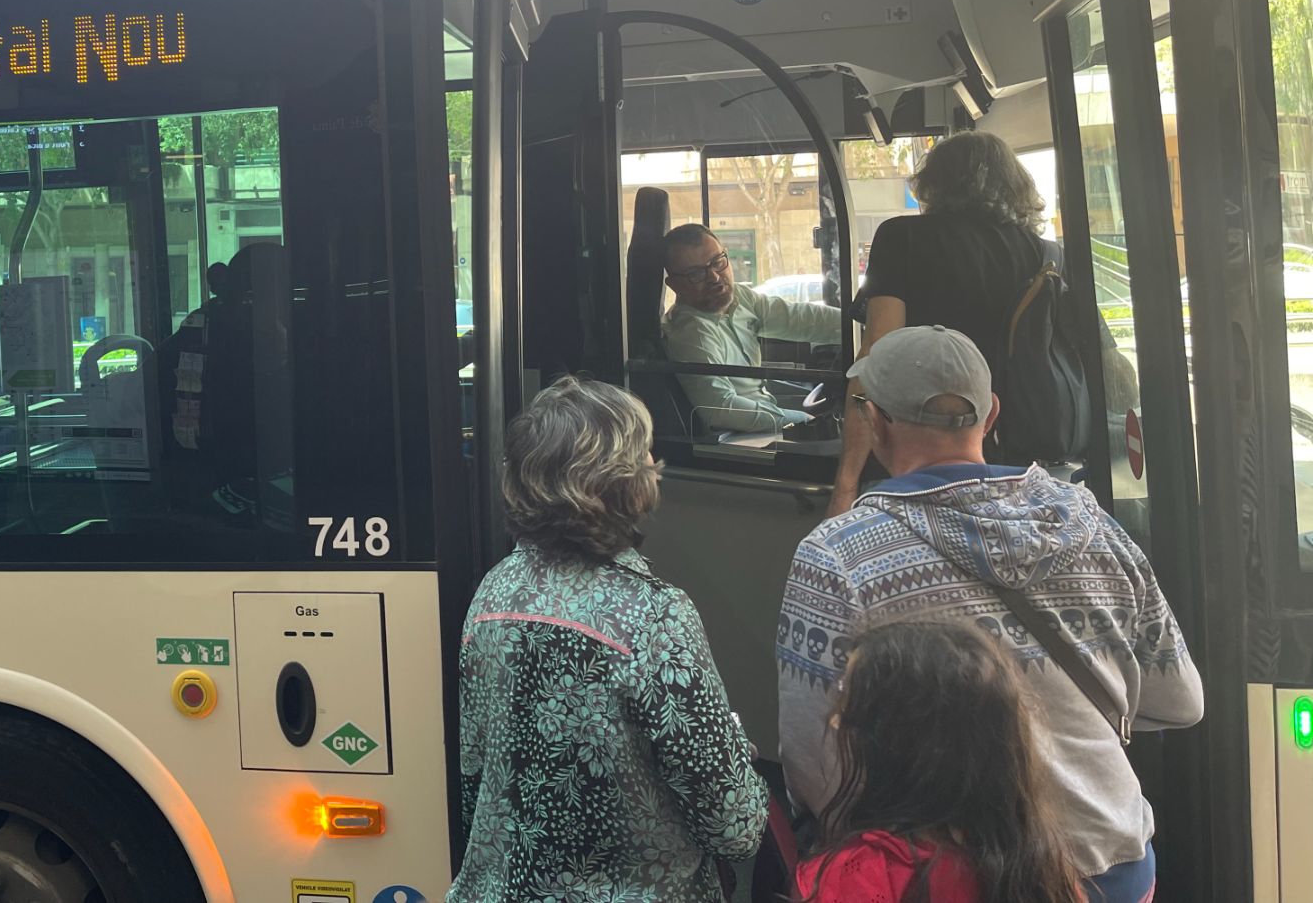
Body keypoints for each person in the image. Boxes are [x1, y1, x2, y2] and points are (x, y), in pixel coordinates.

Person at [778, 326, 1202, 903]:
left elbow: (813, 769)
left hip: (955, 882)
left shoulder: (837, 554)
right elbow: (1180, 702)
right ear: (992, 412)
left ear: (874, 421)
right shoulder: (1089, 523)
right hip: (1113, 869)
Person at [452, 376, 768, 902]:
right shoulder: (655, 615)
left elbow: (476, 775)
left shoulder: (495, 591)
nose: (654, 466)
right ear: (623, 482)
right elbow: (734, 826)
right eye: (645, 455)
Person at [830, 131, 1136, 514]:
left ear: (934, 185)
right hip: (1023, 463)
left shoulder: (902, 239)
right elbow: (1112, 365)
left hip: (916, 460)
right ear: (1016, 185)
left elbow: (873, 359)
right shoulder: (1049, 255)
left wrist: (846, 482)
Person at [795, 619, 1085, 903]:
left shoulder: (854, 879)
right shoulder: (1041, 867)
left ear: (894, 741)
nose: (836, 720)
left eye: (848, 702)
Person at [661, 223, 841, 434]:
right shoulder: (691, 334)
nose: (715, 278)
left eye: (718, 262)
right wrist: (804, 421)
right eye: (696, 274)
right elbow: (721, 410)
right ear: (675, 285)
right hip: (737, 438)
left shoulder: (739, 297)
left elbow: (798, 318)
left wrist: (860, 324)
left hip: (762, 422)